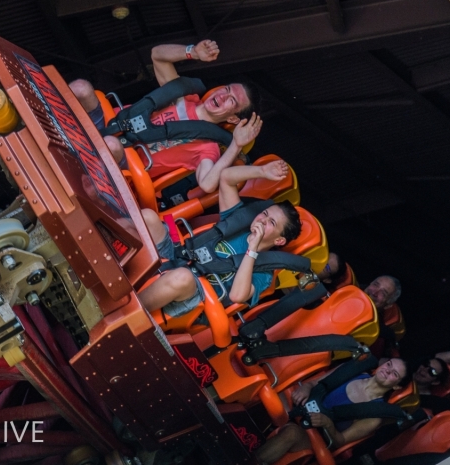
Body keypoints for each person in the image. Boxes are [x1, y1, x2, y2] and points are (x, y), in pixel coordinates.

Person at [69, 40, 261, 193]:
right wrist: (192, 51)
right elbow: (157, 55)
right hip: (109, 124)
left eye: (232, 101)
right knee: (81, 88)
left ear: (234, 119)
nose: (222, 96)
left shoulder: (207, 147)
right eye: (226, 89)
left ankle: (72, 167)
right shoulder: (184, 95)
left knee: (111, 145)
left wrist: (236, 145)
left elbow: (207, 185)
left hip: (122, 161)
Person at [138, 159, 301, 316]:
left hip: (194, 288)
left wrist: (252, 249)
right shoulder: (239, 222)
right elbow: (226, 177)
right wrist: (262, 171)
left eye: (271, 222)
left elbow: (237, 296)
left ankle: (126, 311)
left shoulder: (264, 273)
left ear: (279, 240)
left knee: (182, 276)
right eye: (264, 214)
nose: (262, 220)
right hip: (179, 253)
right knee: (148, 217)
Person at [253, 358, 410, 464]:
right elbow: (315, 383)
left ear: (396, 386)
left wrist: (327, 423)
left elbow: (340, 441)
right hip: (301, 407)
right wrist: (306, 388)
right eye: (389, 364)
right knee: (270, 391)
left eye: (395, 374)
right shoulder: (351, 371)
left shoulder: (374, 415)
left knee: (292, 433)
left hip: (314, 435)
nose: (388, 370)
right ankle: (238, 432)